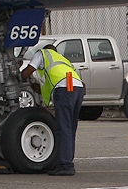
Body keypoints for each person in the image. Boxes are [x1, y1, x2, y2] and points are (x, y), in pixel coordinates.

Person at [21, 43, 85, 176]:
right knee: (70, 128)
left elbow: (27, 72)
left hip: (65, 89)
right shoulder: (62, 60)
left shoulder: (42, 54)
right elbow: (43, 87)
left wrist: (18, 75)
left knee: (63, 128)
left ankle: (66, 165)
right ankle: (65, 161)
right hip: (77, 88)